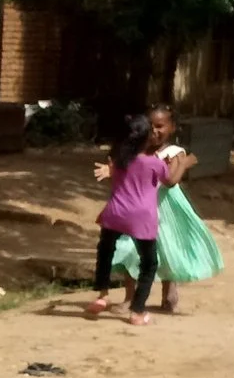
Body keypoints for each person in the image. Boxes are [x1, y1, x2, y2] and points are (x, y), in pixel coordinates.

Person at [104, 105, 220, 313]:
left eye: (160, 126)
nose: (155, 131)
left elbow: (171, 182)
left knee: (167, 248)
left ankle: (169, 288)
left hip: (165, 208)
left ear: (172, 128)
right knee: (129, 248)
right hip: (138, 207)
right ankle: (129, 298)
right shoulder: (137, 150)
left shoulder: (174, 152)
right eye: (150, 126)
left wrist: (183, 163)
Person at [83, 111, 191, 326]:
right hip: (141, 218)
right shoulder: (155, 163)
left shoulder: (120, 160)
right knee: (149, 264)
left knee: (105, 252)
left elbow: (116, 170)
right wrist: (184, 163)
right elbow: (170, 182)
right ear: (146, 138)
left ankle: (102, 295)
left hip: (114, 214)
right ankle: (137, 311)